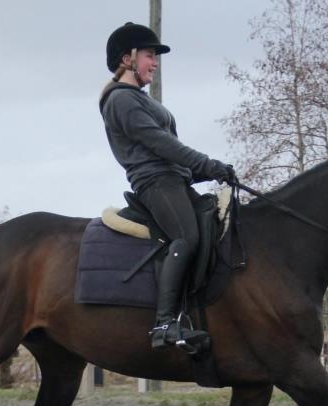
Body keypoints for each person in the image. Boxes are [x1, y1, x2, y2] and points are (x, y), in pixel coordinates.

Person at [99, 22, 235, 350]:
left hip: (171, 179)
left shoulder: (139, 100)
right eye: (149, 55)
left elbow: (168, 152)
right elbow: (160, 144)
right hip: (155, 183)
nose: (155, 62)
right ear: (127, 58)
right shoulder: (121, 100)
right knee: (185, 237)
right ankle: (164, 324)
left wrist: (205, 173)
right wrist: (206, 164)